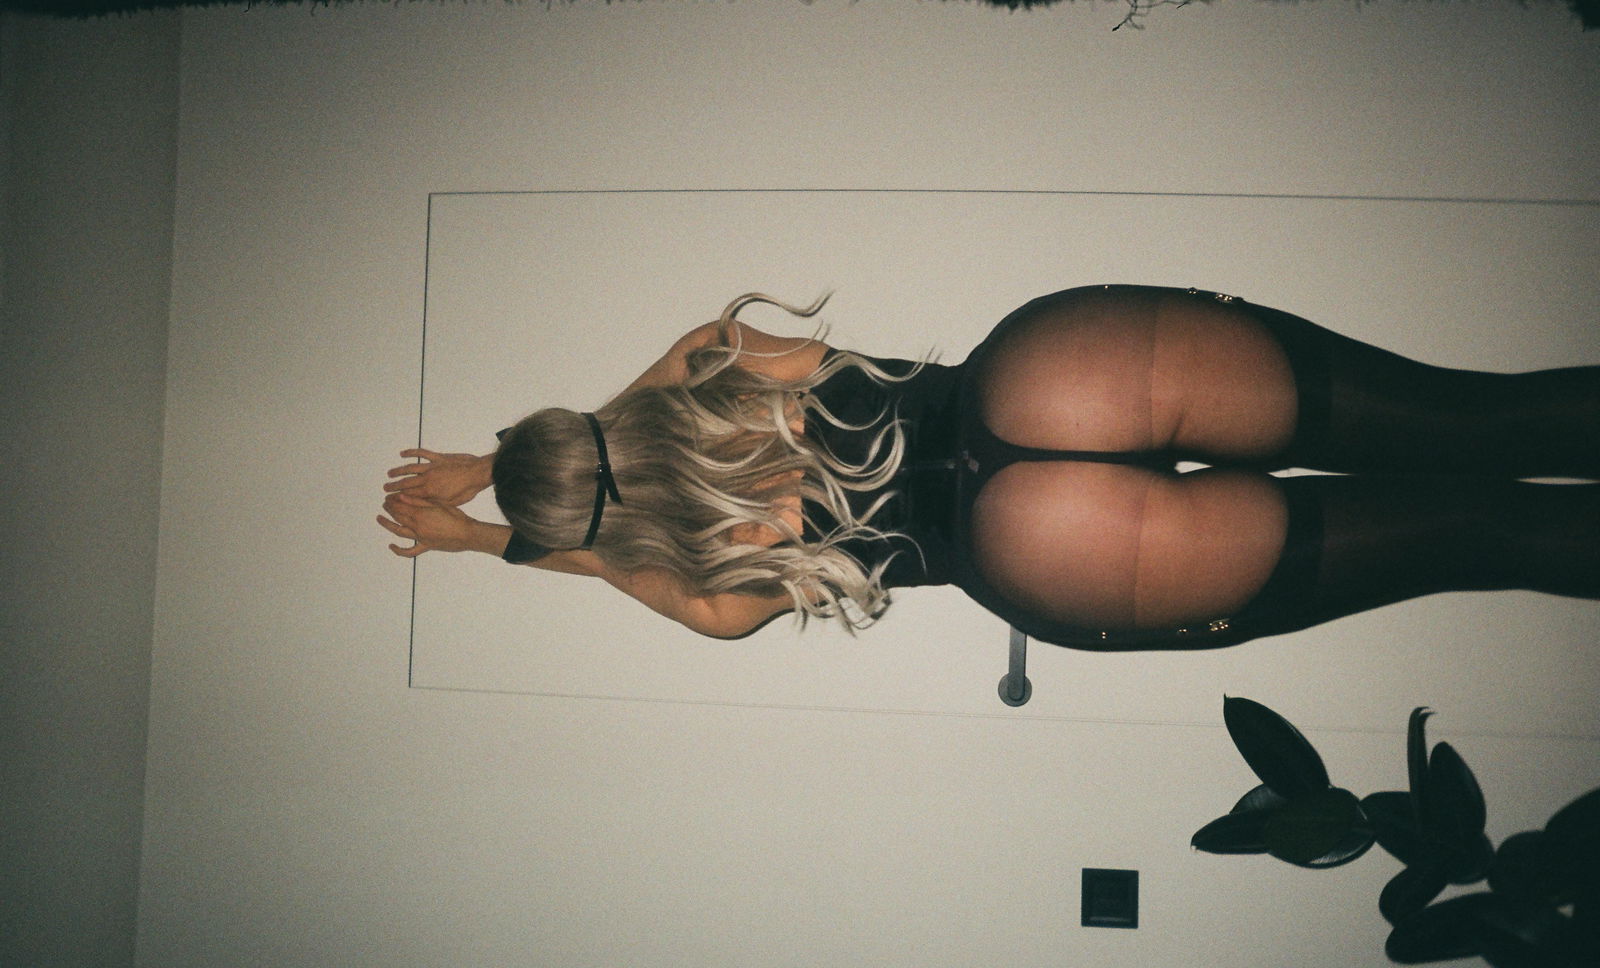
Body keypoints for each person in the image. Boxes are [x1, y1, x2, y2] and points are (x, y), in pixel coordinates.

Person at [377, 285, 1600, 650]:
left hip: (1035, 551)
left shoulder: (698, 587)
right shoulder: (713, 370)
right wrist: (495, 460)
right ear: (583, 425)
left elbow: (602, 541)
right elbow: (667, 378)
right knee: (1473, 421)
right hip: (1047, 375)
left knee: (1470, 536)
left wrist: (493, 536)